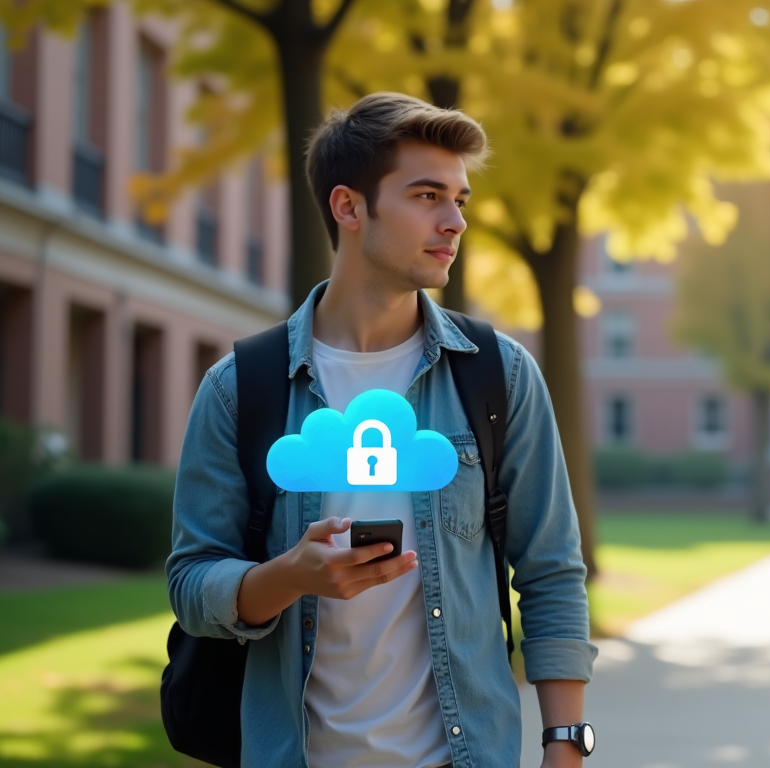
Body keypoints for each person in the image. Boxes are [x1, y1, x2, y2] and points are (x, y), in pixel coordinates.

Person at [167, 92, 596, 768]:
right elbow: (192, 583)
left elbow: (551, 573)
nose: (454, 221)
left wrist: (565, 748)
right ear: (349, 207)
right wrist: (289, 577)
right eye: (427, 195)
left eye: (459, 199)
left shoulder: (498, 377)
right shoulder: (239, 387)